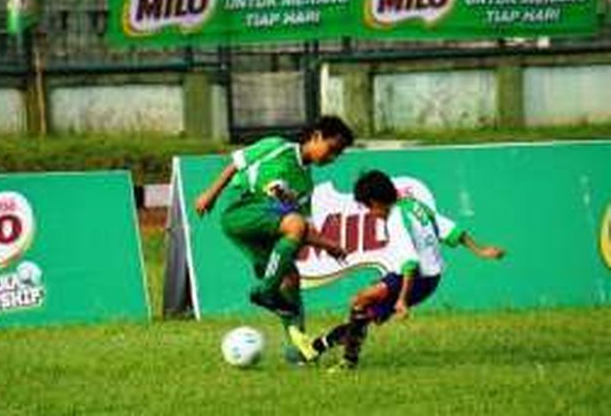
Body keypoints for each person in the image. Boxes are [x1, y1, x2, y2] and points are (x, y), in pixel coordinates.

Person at [302, 169, 505, 370]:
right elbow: (451, 230)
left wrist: (402, 300)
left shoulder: (395, 220)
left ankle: (341, 358)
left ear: (374, 202)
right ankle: (319, 347)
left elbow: (410, 264)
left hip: (416, 280)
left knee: (361, 302)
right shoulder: (414, 206)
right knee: (362, 311)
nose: (370, 214)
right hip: (425, 278)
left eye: (367, 208)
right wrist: (481, 250)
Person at [194, 116, 355, 361]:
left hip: (264, 230)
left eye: (337, 154)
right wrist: (211, 193)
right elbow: (235, 164)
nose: (332, 158)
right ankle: (266, 291)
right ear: (316, 136)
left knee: (290, 280)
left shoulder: (306, 185)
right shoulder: (276, 146)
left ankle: (298, 350)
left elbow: (300, 230)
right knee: (294, 228)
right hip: (241, 210)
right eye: (332, 149)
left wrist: (329, 245)